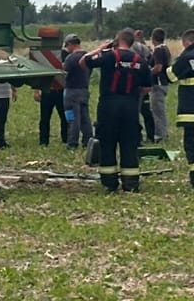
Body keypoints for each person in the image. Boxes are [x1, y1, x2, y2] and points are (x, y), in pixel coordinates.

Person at [84, 28, 155, 193]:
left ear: (117, 40)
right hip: (130, 106)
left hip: (108, 105)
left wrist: (101, 48)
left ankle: (109, 183)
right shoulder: (140, 60)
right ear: (132, 42)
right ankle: (131, 183)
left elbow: (84, 61)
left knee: (107, 142)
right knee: (129, 143)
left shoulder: (109, 56)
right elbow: (147, 88)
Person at [167, 28, 194, 189]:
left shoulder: (186, 57)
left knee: (192, 144)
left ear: (187, 42)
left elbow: (171, 76)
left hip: (190, 111)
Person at [61, 34, 93, 150]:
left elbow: (64, 73)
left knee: (72, 118)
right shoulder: (88, 56)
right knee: (85, 118)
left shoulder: (70, 58)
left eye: (67, 46)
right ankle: (88, 141)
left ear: (71, 44)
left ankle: (72, 143)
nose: (67, 49)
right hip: (84, 90)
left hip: (71, 91)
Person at [34, 68, 69, 147]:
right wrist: (36, 91)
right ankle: (43, 141)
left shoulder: (64, 59)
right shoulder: (44, 60)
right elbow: (38, 73)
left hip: (62, 90)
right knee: (44, 118)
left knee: (64, 117)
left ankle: (66, 139)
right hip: (47, 90)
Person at [148, 28, 171, 143]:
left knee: (157, 111)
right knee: (160, 110)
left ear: (153, 38)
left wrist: (147, 73)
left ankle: (160, 135)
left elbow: (158, 67)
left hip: (158, 83)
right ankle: (163, 133)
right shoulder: (165, 48)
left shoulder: (158, 50)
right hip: (164, 83)